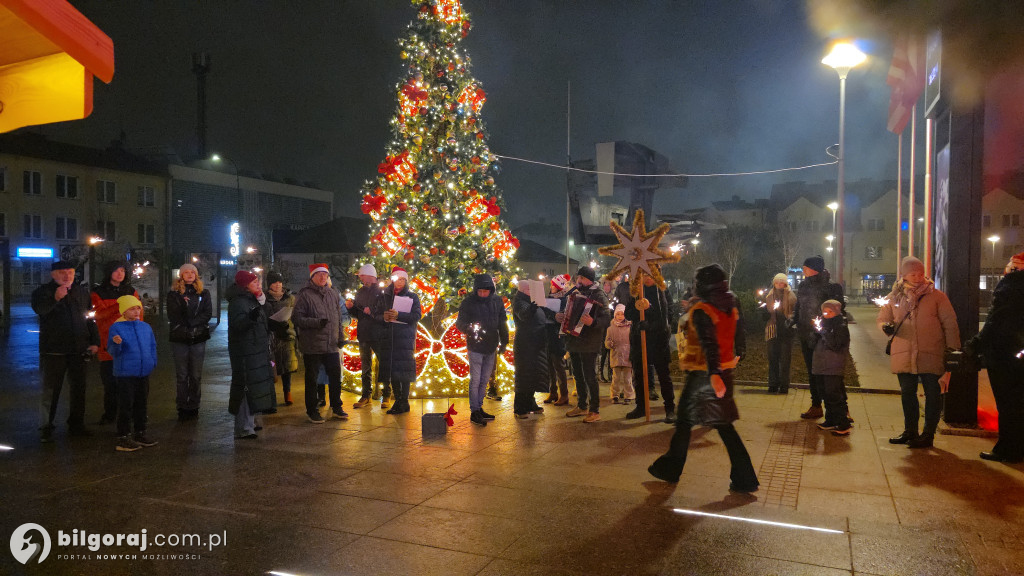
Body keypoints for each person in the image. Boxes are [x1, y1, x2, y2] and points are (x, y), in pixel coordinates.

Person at [648, 264, 758, 492]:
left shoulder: (703, 309)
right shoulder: (730, 301)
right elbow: (736, 332)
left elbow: (709, 345)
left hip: (704, 375)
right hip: (722, 373)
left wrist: (714, 375)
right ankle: (744, 477)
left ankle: (671, 468)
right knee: (721, 426)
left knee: (686, 423)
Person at [877, 256, 960, 449]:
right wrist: (885, 327)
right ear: (904, 275)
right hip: (904, 352)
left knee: (933, 394)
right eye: (913, 273)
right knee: (907, 393)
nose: (917, 277)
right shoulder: (894, 297)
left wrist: (952, 349)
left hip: (931, 352)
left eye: (920, 273)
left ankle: (928, 435)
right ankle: (910, 431)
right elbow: (882, 318)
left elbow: (950, 324)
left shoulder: (937, 296)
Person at [32, 260, 99, 442]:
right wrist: (56, 297)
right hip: (54, 350)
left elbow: (90, 316)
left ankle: (76, 424)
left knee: (79, 389)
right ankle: (46, 426)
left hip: (79, 349)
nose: (67, 276)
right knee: (51, 390)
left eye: (70, 272)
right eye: (62, 272)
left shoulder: (81, 291)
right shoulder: (43, 292)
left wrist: (95, 341)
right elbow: (41, 310)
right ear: (53, 274)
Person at [971, 251, 1024, 463]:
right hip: (1019, 353)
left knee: (1007, 404)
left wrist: (975, 344)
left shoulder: (1011, 286)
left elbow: (996, 321)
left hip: (1005, 354)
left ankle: (1007, 449)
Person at [293, 263, 348, 423]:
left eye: (325, 275)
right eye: (319, 275)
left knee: (335, 377)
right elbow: (297, 318)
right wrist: (316, 322)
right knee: (312, 379)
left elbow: (338, 319)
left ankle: (337, 407)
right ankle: (312, 410)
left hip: (331, 344)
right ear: (312, 277)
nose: (323, 277)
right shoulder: (304, 295)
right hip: (313, 345)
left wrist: (340, 336)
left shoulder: (333, 294)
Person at [791, 255, 844, 420]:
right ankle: (816, 405)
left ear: (814, 269)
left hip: (823, 337)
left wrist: (822, 330)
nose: (803, 269)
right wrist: (792, 321)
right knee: (812, 372)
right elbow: (799, 307)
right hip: (805, 335)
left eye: (805, 267)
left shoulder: (831, 288)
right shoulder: (803, 286)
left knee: (830, 374)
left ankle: (842, 410)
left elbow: (836, 312)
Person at [556, 266, 610, 423]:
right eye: (578, 277)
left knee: (589, 376)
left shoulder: (599, 295)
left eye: (581, 278)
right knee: (577, 375)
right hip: (574, 340)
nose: (578, 280)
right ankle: (581, 405)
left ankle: (594, 410)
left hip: (589, 342)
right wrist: (561, 317)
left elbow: (607, 319)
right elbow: (568, 312)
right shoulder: (574, 294)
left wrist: (593, 322)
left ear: (590, 280)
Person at [227, 270, 277, 438]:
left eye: (258, 281)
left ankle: (251, 422)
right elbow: (238, 325)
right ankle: (243, 427)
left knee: (255, 386)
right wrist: (250, 318)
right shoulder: (238, 302)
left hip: (257, 349)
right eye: (254, 282)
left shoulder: (254, 300)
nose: (258, 284)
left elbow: (263, 321)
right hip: (245, 351)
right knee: (245, 387)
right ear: (245, 285)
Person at [91, 260, 141, 425]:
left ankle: (128, 413)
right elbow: (98, 315)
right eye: (116, 270)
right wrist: (120, 306)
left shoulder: (131, 291)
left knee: (128, 382)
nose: (120, 274)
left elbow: (138, 315)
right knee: (110, 383)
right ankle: (110, 413)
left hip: (128, 344)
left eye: (123, 271)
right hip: (107, 343)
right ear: (109, 272)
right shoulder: (98, 292)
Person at [457, 274, 510, 425]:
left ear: (490, 290)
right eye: (479, 291)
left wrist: (504, 342)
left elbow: (502, 322)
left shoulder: (497, 301)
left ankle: (479, 407)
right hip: (475, 345)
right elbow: (460, 322)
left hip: (491, 345)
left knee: (485, 379)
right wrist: (468, 328)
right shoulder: (468, 303)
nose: (482, 294)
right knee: (476, 379)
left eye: (485, 291)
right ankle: (474, 410)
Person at [107, 295, 158, 451]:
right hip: (126, 373)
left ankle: (140, 432)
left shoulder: (145, 327)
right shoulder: (117, 328)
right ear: (124, 311)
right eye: (132, 309)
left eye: (138, 308)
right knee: (126, 404)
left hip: (143, 372)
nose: (136, 312)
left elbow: (152, 346)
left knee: (141, 403)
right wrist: (116, 344)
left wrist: (152, 362)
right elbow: (113, 351)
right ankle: (123, 436)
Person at [624, 274, 676, 423]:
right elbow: (628, 314)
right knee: (639, 376)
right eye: (644, 275)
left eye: (650, 274)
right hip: (639, 341)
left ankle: (670, 409)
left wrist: (650, 316)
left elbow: (666, 316)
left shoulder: (662, 292)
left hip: (659, 341)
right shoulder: (636, 292)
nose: (647, 278)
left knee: (664, 376)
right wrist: (638, 308)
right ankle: (641, 407)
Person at [373, 266, 422, 415]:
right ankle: (397, 399)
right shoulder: (384, 296)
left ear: (406, 281)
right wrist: (384, 317)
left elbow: (416, 316)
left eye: (402, 279)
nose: (399, 282)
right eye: (397, 279)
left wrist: (398, 315)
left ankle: (404, 401)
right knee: (392, 370)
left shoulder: (412, 297)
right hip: (388, 338)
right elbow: (376, 314)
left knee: (404, 370)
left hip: (404, 338)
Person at [167, 263, 212, 421]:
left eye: (192, 272)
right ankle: (181, 405)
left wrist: (193, 323)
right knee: (182, 375)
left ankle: (194, 405)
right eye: (186, 272)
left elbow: (207, 313)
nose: (189, 274)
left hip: (198, 337)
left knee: (195, 375)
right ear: (181, 275)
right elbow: (173, 315)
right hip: (179, 338)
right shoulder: (174, 294)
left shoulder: (204, 293)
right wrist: (185, 312)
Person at [347, 264, 388, 409]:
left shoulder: (383, 292)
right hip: (364, 334)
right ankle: (366, 395)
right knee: (365, 366)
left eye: (362, 276)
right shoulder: (360, 292)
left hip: (378, 334)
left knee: (383, 364)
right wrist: (351, 308)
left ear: (369, 275)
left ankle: (386, 395)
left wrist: (372, 312)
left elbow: (385, 313)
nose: (361, 279)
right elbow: (358, 314)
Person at [813, 300, 851, 435]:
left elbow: (835, 344)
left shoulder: (840, 326)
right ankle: (830, 420)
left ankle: (842, 423)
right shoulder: (823, 324)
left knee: (833, 394)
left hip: (833, 365)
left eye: (831, 312)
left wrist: (823, 332)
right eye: (825, 311)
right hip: (821, 364)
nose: (827, 314)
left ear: (837, 312)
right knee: (825, 394)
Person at [511, 281, 548, 419]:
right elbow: (524, 315)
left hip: (535, 342)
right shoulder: (519, 301)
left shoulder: (530, 300)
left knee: (533, 374)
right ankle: (520, 407)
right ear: (526, 290)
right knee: (523, 375)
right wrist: (532, 308)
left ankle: (530, 402)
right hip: (525, 343)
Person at [264, 271, 298, 406]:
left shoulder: (289, 298)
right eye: (274, 282)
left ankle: (287, 392)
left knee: (287, 366)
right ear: (269, 285)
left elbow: (295, 316)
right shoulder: (264, 298)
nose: (277, 285)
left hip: (287, 335)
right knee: (272, 365)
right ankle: (271, 395)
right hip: (272, 337)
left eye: (279, 282)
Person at [763, 273, 797, 394]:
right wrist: (765, 313)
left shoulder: (791, 296)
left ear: (785, 283)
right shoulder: (769, 295)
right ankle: (773, 384)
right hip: (772, 330)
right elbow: (765, 310)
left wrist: (789, 319)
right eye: (777, 282)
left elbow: (795, 312)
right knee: (772, 359)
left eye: (781, 282)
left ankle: (784, 386)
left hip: (786, 332)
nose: (779, 285)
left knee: (785, 360)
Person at [544, 274, 571, 405]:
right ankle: (553, 392)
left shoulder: (565, 300)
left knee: (558, 366)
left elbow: (563, 317)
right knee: (549, 365)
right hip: (548, 335)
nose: (550, 288)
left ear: (558, 288)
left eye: (552, 286)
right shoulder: (548, 299)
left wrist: (553, 315)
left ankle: (564, 394)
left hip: (558, 336)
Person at [604, 304, 634, 404]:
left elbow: (633, 340)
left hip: (627, 355)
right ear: (615, 315)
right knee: (615, 379)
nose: (620, 316)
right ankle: (614, 395)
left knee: (627, 378)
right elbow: (607, 341)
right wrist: (609, 344)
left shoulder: (630, 327)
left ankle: (628, 395)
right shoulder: (610, 329)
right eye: (618, 314)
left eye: (622, 314)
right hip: (616, 355)